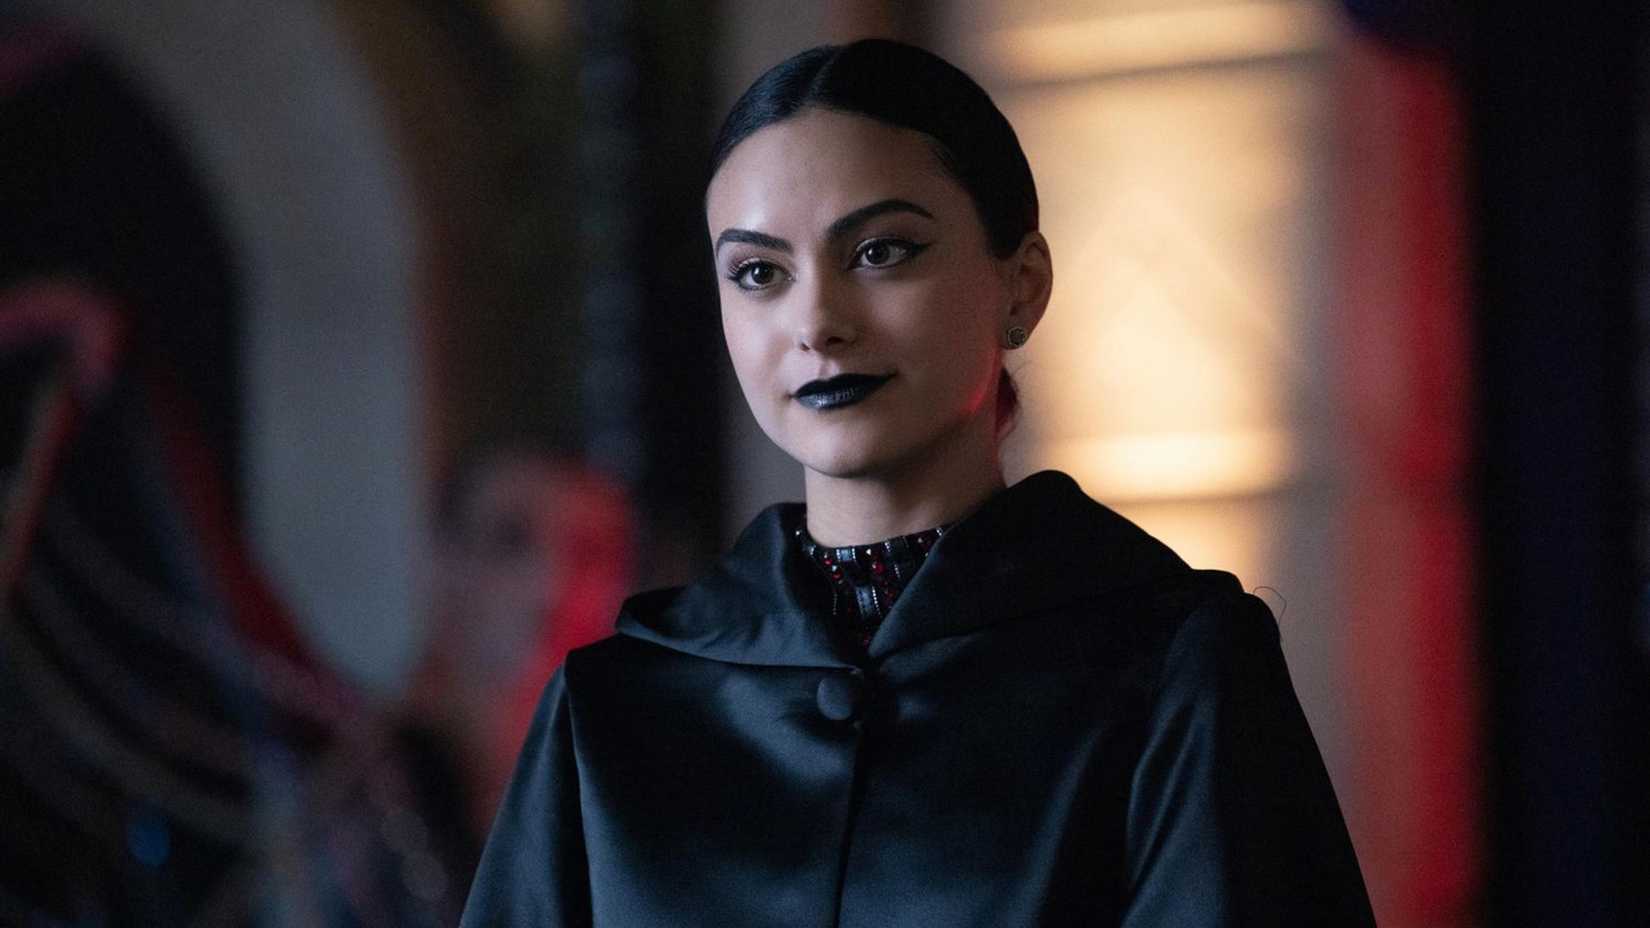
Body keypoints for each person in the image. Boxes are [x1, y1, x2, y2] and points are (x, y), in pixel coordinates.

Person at [462, 39, 1375, 926]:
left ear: (1022, 285)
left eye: (880, 252)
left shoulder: (1169, 666)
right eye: (759, 273)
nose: (817, 322)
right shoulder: (611, 706)